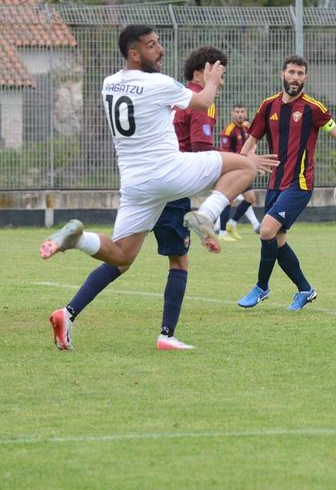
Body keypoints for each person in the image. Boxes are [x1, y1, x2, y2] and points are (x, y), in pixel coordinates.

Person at [40, 25, 278, 351]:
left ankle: (79, 239)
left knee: (122, 256)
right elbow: (204, 101)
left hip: (136, 184)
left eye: (159, 42)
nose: (160, 49)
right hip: (170, 174)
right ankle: (205, 217)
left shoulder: (109, 83)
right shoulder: (160, 84)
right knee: (247, 166)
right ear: (134, 54)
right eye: (152, 45)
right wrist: (211, 83)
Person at [236, 55, 336, 311]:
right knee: (277, 240)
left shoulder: (313, 108)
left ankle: (261, 287)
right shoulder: (268, 106)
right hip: (275, 185)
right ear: (282, 74)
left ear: (305, 78)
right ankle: (305, 290)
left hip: (299, 184)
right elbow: (249, 145)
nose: (295, 78)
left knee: (266, 230)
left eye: (300, 74)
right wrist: (248, 160)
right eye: (291, 72)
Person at [149, 45, 228, 350]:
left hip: (151, 179)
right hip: (173, 187)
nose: (221, 81)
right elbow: (201, 151)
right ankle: (166, 336)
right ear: (200, 72)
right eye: (218, 72)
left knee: (121, 256)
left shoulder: (175, 97)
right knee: (178, 262)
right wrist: (224, 183)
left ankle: (69, 313)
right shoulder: (199, 101)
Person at [218, 104, 261, 239]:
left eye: (242, 112)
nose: (240, 114)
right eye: (237, 112)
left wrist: (255, 162)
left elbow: (253, 144)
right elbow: (224, 152)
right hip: (232, 170)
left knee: (250, 198)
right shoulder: (228, 130)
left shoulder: (247, 128)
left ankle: (232, 223)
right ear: (232, 114)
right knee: (228, 200)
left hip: (244, 169)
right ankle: (222, 232)